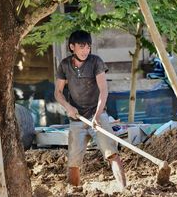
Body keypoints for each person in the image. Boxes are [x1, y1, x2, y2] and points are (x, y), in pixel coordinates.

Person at [54, 30, 127, 188]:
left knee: (112, 153)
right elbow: (58, 93)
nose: (86, 51)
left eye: (88, 47)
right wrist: (68, 107)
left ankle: (124, 190)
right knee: (73, 162)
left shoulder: (96, 62)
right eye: (82, 47)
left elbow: (104, 91)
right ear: (72, 47)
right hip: (77, 118)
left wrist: (97, 116)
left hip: (97, 116)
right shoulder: (65, 65)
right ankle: (74, 191)